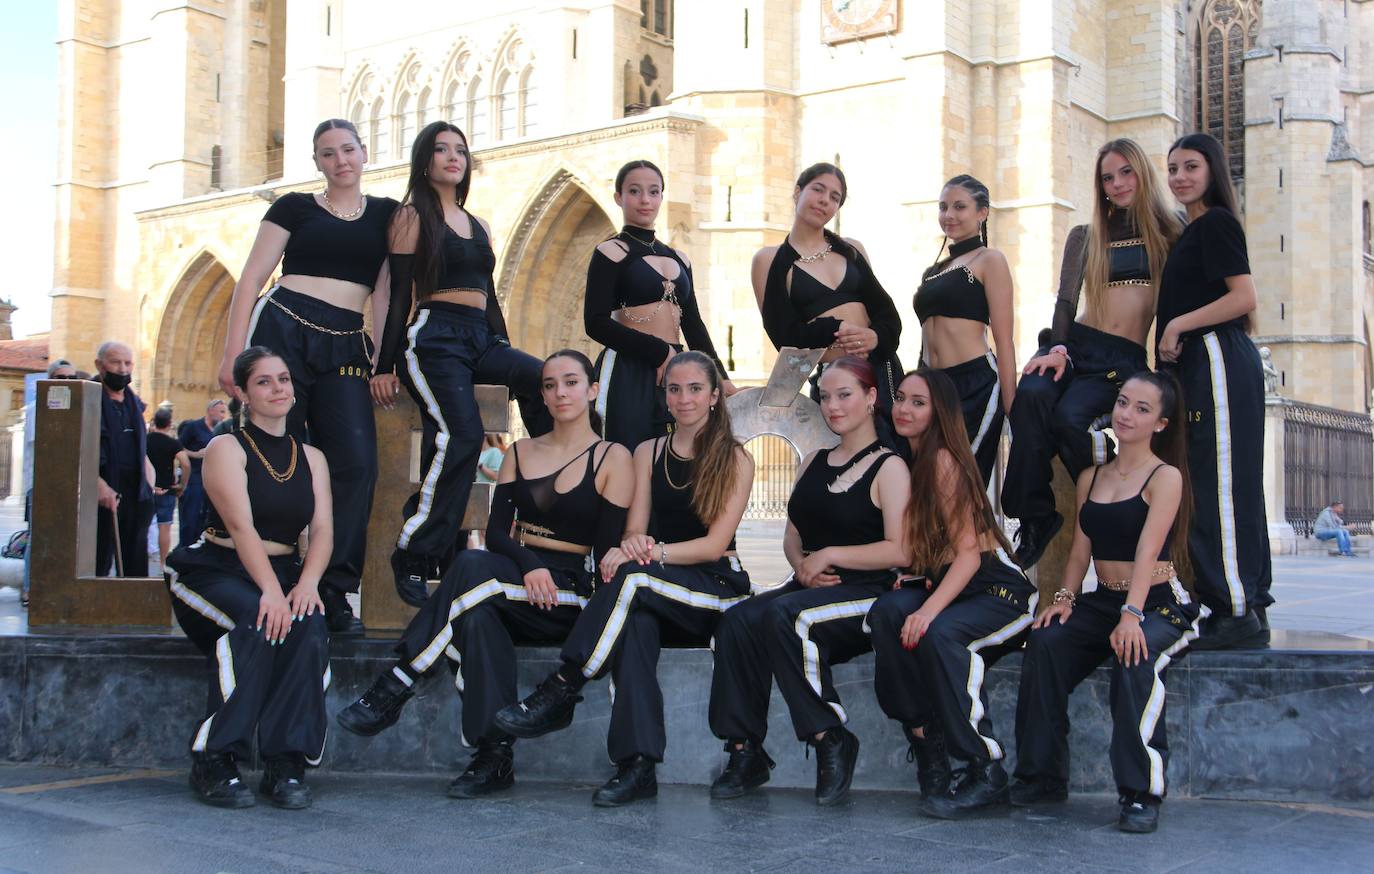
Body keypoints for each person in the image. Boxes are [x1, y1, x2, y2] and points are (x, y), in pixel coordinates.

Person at [335, 350, 634, 797]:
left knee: (471, 569)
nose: (559, 393)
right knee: (476, 615)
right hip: (512, 576)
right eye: (550, 385)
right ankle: (493, 757)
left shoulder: (613, 457)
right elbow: (497, 535)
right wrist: (529, 567)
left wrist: (541, 572)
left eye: (571, 382)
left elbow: (606, 549)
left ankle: (399, 680)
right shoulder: (521, 451)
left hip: (568, 593)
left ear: (592, 391)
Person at [492, 351, 754, 807]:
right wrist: (632, 545)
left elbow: (714, 546)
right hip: (656, 583)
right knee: (633, 628)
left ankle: (564, 685)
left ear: (715, 396)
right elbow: (635, 528)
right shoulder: (648, 452)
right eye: (674, 389)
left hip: (715, 588)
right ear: (664, 396)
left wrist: (651, 553)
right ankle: (638, 765)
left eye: (695, 389)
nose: (684, 398)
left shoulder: (736, 458)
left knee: (633, 580)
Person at [218, 119, 398, 637]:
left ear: (364, 153)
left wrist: (385, 362)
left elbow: (383, 295)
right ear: (316, 162)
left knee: (357, 461)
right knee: (272, 450)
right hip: (283, 328)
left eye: (347, 150)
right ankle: (264, 573)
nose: (339, 160)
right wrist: (235, 353)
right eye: (327, 154)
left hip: (345, 339)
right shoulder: (293, 207)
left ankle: (333, 587)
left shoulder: (387, 216)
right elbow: (253, 276)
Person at [707, 356, 910, 805]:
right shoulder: (815, 460)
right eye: (825, 397)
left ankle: (829, 736)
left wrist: (831, 556)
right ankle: (744, 751)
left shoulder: (889, 467)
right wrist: (800, 563)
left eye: (845, 395)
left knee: (784, 614)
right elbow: (792, 532)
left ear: (872, 397)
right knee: (737, 622)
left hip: (864, 592)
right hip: (807, 589)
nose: (833, 406)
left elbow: (902, 550)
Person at [1013, 371, 1204, 834]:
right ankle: (1042, 776)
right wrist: (1062, 599)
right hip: (1105, 599)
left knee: (1134, 657)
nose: (1127, 414)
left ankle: (1140, 793)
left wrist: (1133, 616)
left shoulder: (1166, 476)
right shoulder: (1091, 476)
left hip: (1158, 601)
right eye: (1123, 403)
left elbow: (1148, 550)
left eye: (1142, 409)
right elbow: (1081, 549)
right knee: (1046, 641)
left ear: (1160, 423)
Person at [374, 120, 550, 608]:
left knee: (544, 379)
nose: (454, 157)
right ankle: (414, 552)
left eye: (461, 150)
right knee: (462, 435)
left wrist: (507, 356)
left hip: (480, 337)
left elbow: (490, 299)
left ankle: (546, 483)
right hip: (433, 337)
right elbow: (397, 299)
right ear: (425, 161)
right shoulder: (412, 217)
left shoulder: (478, 225)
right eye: (442, 150)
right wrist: (383, 365)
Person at [167, 347, 333, 810]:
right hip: (214, 570)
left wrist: (306, 585)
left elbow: (322, 531)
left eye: (283, 379)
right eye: (264, 381)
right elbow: (240, 528)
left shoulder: (312, 458)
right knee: (260, 620)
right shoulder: (227, 447)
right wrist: (273, 593)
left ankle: (285, 763)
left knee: (310, 625)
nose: (278, 388)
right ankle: (214, 757)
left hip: (283, 572)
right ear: (242, 392)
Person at [1002, 139, 1182, 567]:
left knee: (1069, 420)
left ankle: (1111, 506)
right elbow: (1065, 302)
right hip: (1076, 346)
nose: (1117, 184)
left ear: (1142, 173)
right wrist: (1059, 347)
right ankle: (1034, 514)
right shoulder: (1085, 236)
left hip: (1121, 361)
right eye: (1107, 177)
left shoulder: (1170, 233)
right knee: (1030, 397)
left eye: (1126, 172)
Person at [866, 368, 1036, 819]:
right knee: (887, 613)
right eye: (900, 398)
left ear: (939, 411)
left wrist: (928, 611)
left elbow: (968, 556)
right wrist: (919, 584)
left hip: (998, 591)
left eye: (918, 402)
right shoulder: (912, 460)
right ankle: (927, 743)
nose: (903, 408)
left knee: (940, 635)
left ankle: (987, 768)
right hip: (955, 587)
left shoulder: (942, 459)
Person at [1157, 133, 1271, 650]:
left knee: (1220, 485)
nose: (1180, 176)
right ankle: (1244, 605)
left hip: (1219, 360)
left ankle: (1236, 610)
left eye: (1191, 166)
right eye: (1173, 168)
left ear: (1213, 171)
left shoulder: (1217, 223)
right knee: (1219, 483)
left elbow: (1244, 297)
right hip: (1204, 365)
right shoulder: (1192, 229)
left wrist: (1178, 325)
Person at [753, 163, 905, 450]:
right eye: (818, 189)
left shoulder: (852, 249)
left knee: (893, 457)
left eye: (835, 197)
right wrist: (835, 328)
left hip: (879, 371)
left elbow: (888, 316)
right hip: (833, 379)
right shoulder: (769, 260)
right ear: (798, 192)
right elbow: (784, 336)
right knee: (840, 466)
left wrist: (875, 337)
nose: (825, 200)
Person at [585, 160, 736, 447]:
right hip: (629, 366)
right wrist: (658, 352)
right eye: (634, 191)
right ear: (619, 197)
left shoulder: (681, 258)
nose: (645, 200)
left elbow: (693, 325)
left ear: (661, 197)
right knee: (625, 452)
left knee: (677, 454)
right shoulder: (610, 251)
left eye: (653, 192)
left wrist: (720, 377)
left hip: (677, 367)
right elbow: (595, 322)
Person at [912, 175, 1017, 486]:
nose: (949, 215)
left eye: (960, 207)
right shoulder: (934, 270)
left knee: (959, 485)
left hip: (974, 385)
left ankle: (977, 536)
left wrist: (1012, 406)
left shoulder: (990, 260)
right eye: (943, 207)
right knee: (926, 484)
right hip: (932, 385)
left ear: (982, 212)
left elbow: (1004, 338)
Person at [93, 341, 156, 577]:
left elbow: (141, 449)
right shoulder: (89, 400)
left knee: (135, 559)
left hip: (136, 494)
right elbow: (82, 448)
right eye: (115, 362)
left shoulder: (134, 404)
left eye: (127, 363)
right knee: (98, 558)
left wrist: (148, 483)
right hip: (103, 491)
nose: (122, 369)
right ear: (100, 365)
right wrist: (97, 484)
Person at [21, 359, 80, 607]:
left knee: (66, 537)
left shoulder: (76, 411)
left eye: (70, 379)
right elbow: (46, 445)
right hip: (42, 484)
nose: (66, 384)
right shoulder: (37, 409)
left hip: (68, 484)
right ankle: (29, 588)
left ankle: (57, 586)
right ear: (49, 380)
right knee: (38, 537)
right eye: (60, 378)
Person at [146, 407, 192, 583]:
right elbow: (186, 463)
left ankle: (141, 559)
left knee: (144, 526)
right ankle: (163, 565)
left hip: (148, 488)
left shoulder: (146, 439)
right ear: (169, 424)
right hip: (168, 489)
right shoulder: (173, 443)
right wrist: (182, 484)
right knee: (164, 527)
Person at [177, 400, 228, 555]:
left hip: (212, 481)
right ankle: (184, 553)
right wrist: (196, 454)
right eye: (220, 411)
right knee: (190, 518)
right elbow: (178, 448)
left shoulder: (222, 429)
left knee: (205, 520)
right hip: (194, 479)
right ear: (210, 411)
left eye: (224, 412)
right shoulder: (193, 427)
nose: (222, 415)